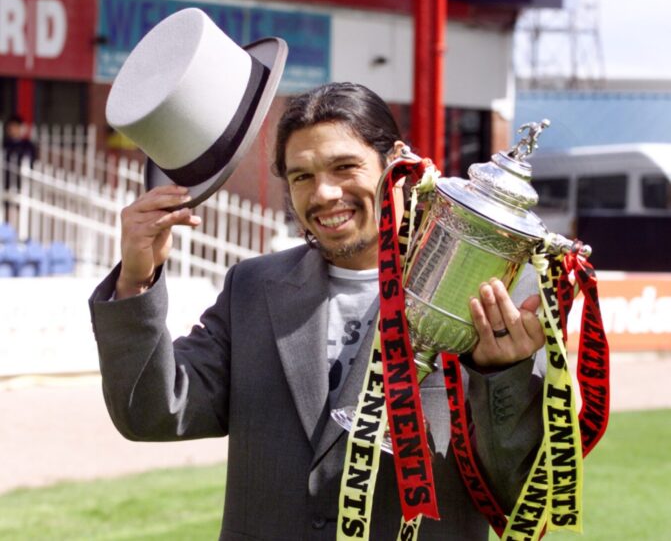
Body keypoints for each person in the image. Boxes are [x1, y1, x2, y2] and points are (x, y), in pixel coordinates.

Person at [89, 82, 546, 540]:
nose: (324, 194)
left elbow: (528, 497)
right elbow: (150, 412)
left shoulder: (493, 294)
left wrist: (502, 375)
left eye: (344, 167)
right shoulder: (251, 288)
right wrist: (136, 280)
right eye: (301, 176)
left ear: (397, 162)